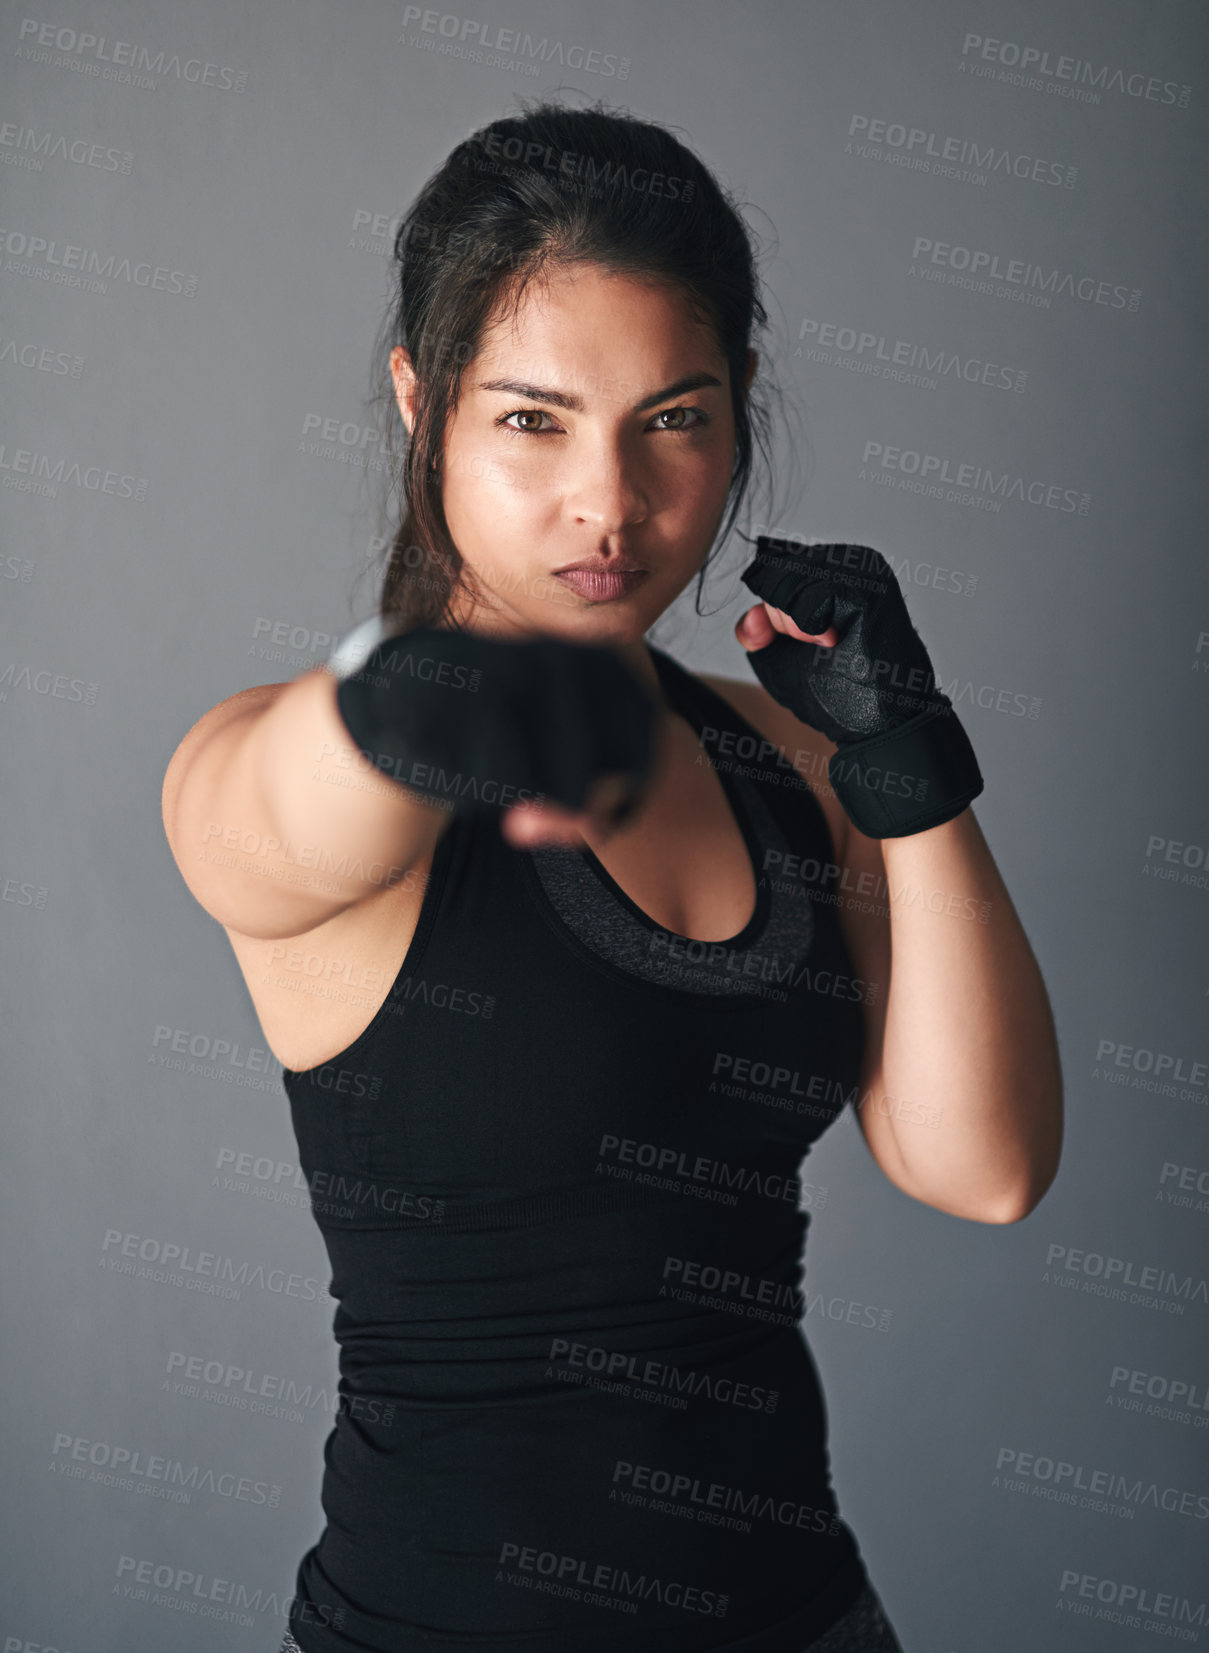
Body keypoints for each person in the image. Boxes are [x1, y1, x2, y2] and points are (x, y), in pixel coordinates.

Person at [161, 98, 1063, 1653]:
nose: (610, 502)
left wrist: (909, 777)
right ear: (417, 401)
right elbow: (272, 808)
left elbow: (980, 1165)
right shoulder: (288, 763)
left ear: (738, 410)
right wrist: (410, 698)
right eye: (531, 420)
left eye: (672, 418)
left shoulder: (788, 767)